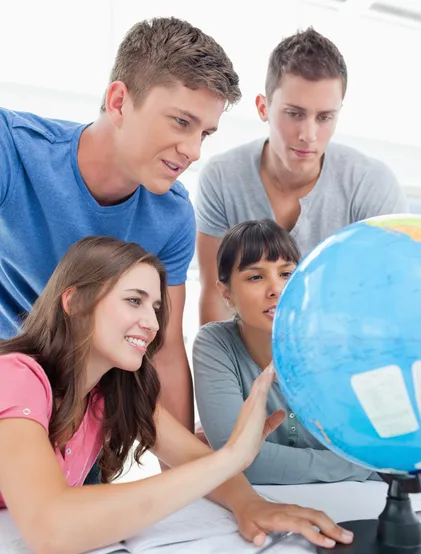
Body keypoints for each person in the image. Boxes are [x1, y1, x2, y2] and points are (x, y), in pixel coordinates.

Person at [0, 235, 354, 554]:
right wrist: (231, 457)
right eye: (134, 301)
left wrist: (249, 504)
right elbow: (50, 530)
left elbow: (191, 458)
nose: (153, 324)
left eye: (155, 307)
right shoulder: (16, 376)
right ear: (75, 302)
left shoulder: (112, 391)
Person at [0, 17, 241, 467]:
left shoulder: (172, 214)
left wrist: (184, 472)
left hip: (84, 422)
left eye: (204, 133)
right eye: (181, 122)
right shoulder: (13, 150)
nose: (194, 151)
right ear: (118, 102)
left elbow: (165, 349)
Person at [195, 27, 409, 326]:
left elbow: (392, 300)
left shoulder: (371, 185)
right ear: (263, 107)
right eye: (294, 114)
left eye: (324, 117)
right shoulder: (221, 178)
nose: (309, 135)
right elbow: (216, 297)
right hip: (248, 357)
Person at [193, 220, 377, 485]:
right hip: (275, 504)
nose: (276, 289)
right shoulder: (215, 344)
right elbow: (234, 460)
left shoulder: (336, 342)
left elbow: (376, 451)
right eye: (255, 277)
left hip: (364, 497)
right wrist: (355, 466)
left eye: (286, 274)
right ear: (227, 293)